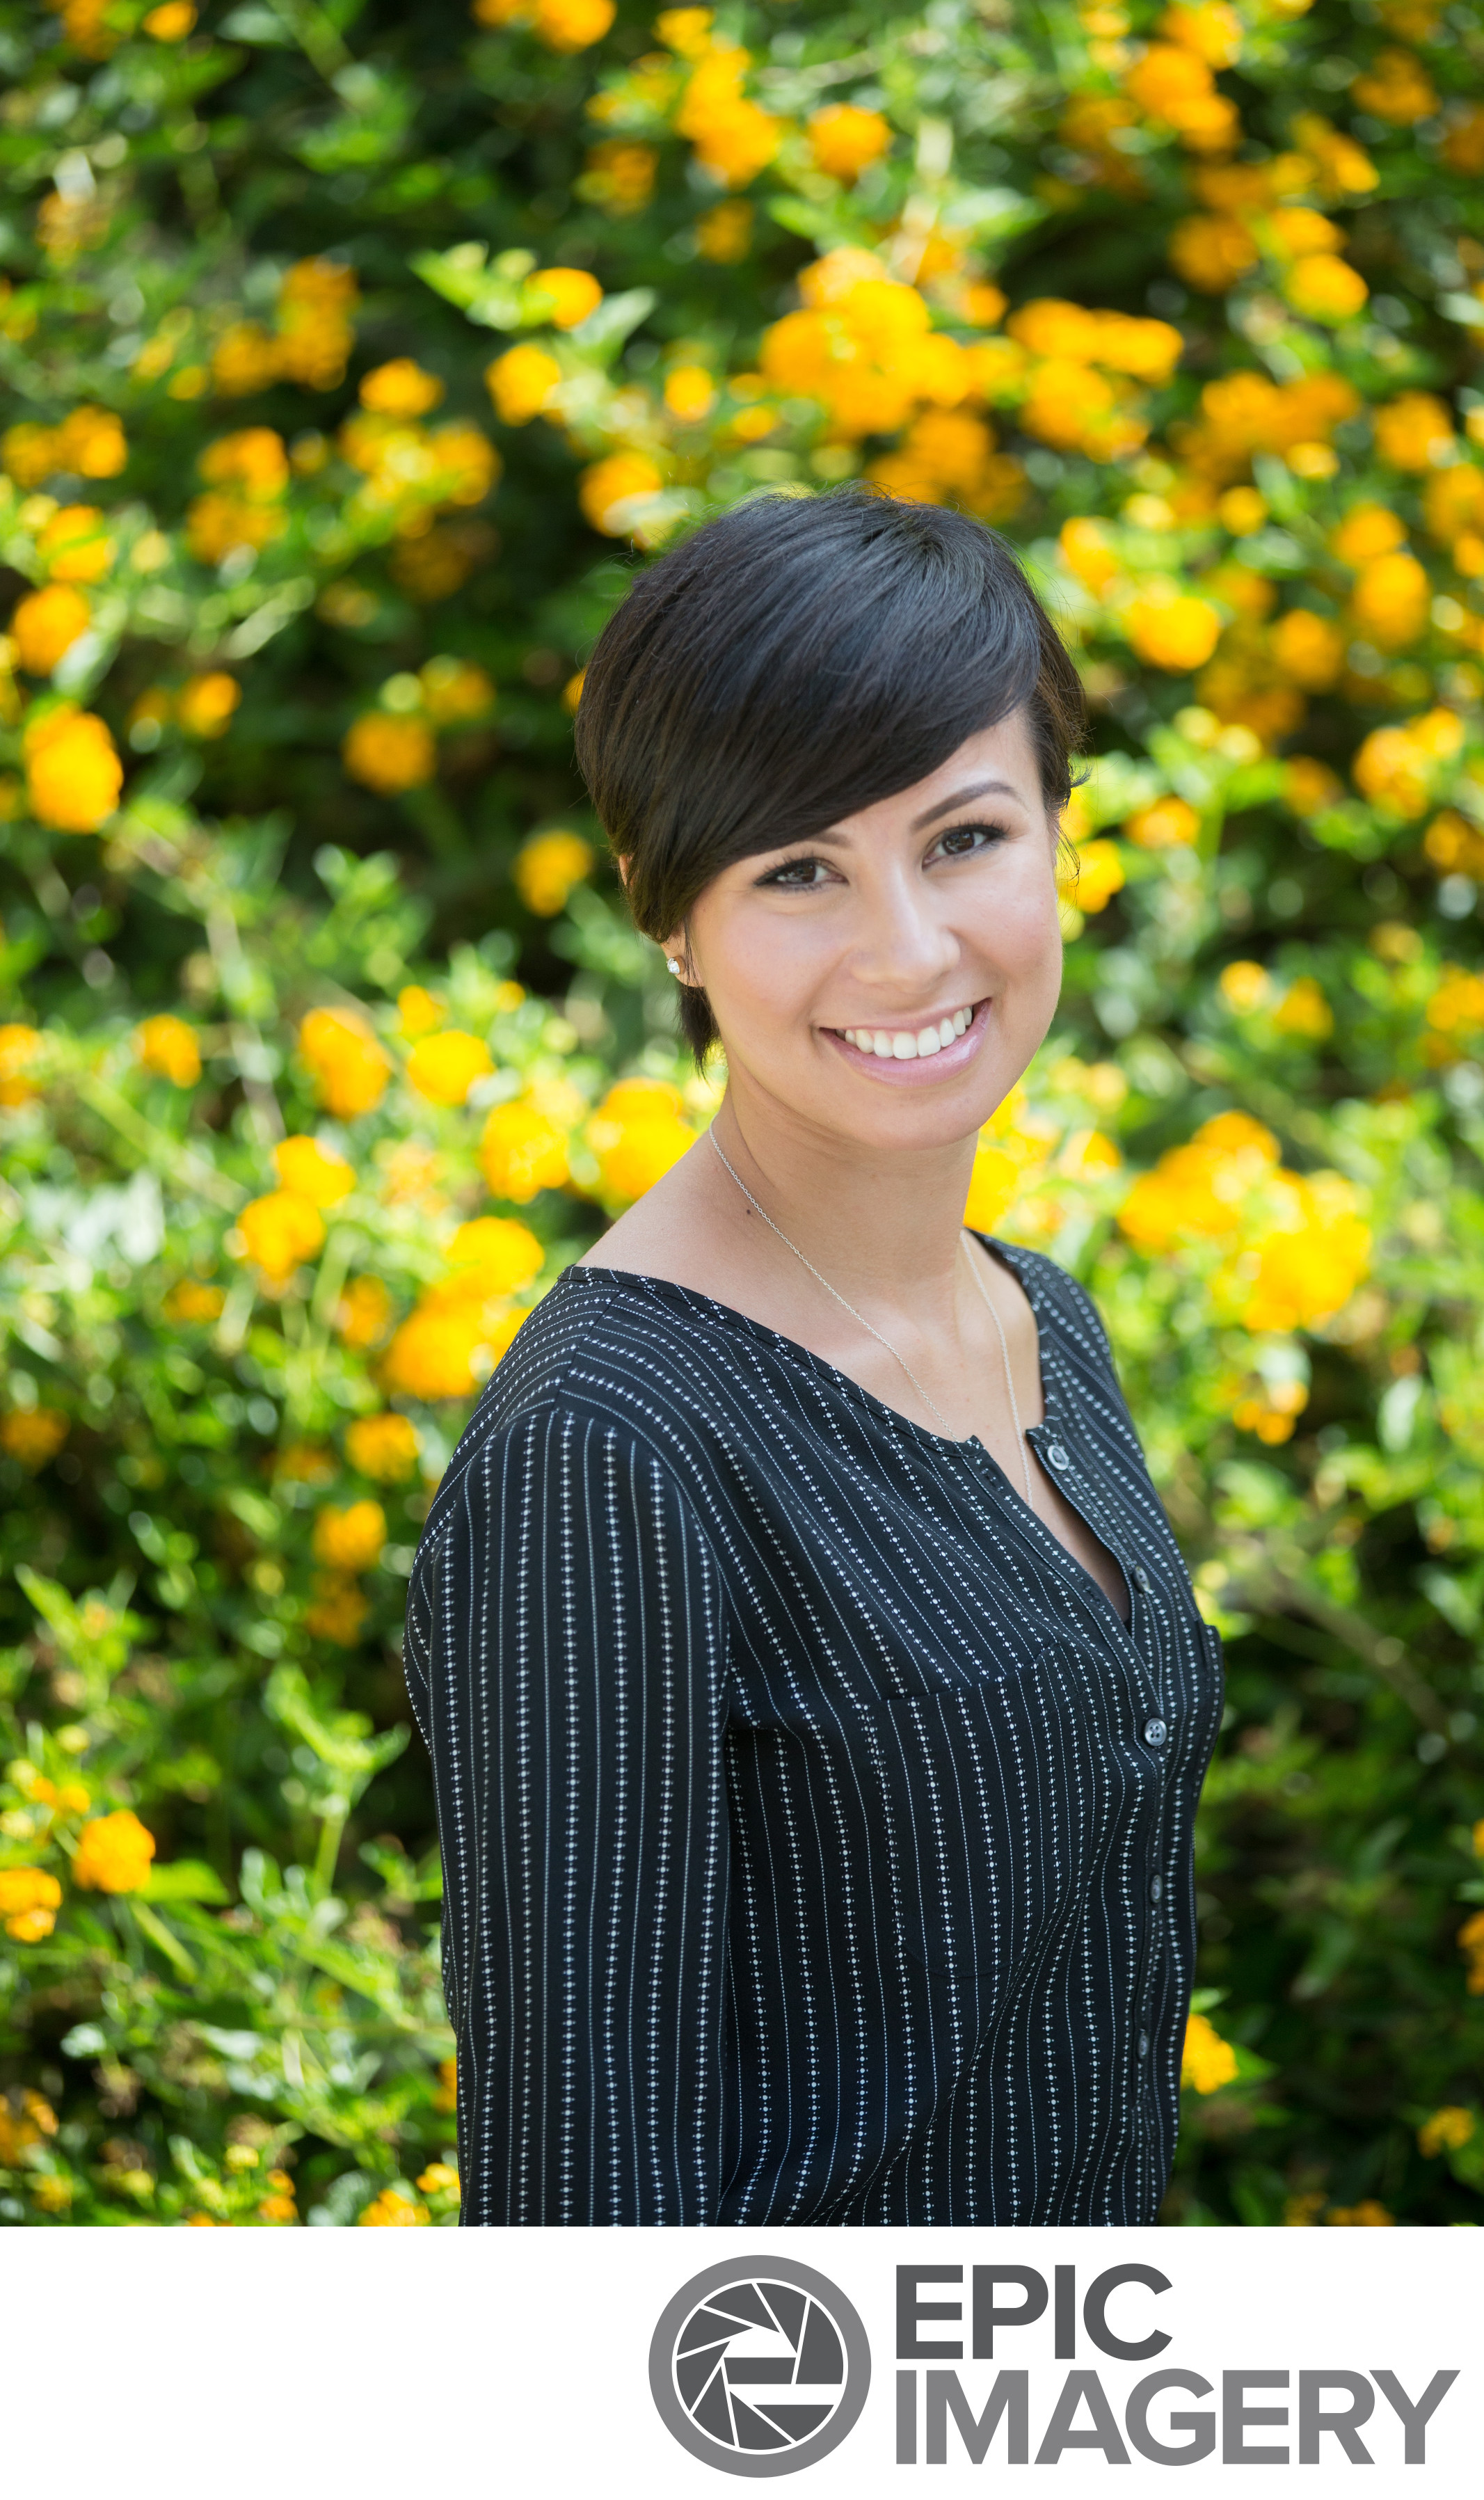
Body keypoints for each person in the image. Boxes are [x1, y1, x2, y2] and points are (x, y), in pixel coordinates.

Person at [403, 488, 1224, 2227]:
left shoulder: (1037, 1322)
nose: (909, 948)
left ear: (1059, 836)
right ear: (664, 913)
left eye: (964, 837)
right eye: (796, 869)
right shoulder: (612, 1453)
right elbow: (579, 2222)